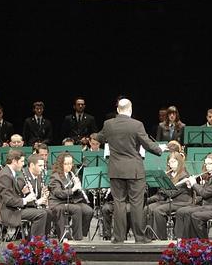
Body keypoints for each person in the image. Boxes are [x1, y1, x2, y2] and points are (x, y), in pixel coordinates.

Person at [96, 98, 164, 244]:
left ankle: (119, 238)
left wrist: (96, 137)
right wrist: (160, 150)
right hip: (134, 170)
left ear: (118, 109)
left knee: (119, 203)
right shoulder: (136, 125)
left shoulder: (108, 124)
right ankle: (139, 237)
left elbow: (99, 137)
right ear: (130, 109)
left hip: (116, 170)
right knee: (136, 203)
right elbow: (147, 144)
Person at [0, 149, 48, 238]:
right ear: (14, 161)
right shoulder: (5, 175)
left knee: (44, 211)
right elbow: (8, 200)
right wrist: (26, 199)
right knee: (41, 213)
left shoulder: (9, 173)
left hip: (13, 209)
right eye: (22, 161)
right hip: (9, 213)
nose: (23, 164)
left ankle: (37, 241)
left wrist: (22, 192)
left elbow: (10, 195)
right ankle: (34, 244)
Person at [174, 153, 212, 239]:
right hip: (206, 205)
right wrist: (192, 186)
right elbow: (203, 191)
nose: (207, 166)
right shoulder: (211, 177)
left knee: (188, 212)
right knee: (181, 211)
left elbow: (205, 193)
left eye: (210, 164)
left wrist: (194, 183)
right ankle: (182, 239)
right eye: (206, 164)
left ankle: (195, 240)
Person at [146, 151, 192, 240]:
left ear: (180, 162)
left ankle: (161, 238)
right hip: (170, 201)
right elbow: (164, 193)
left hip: (181, 202)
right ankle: (150, 236)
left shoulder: (184, 175)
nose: (171, 164)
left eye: (174, 162)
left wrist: (162, 182)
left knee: (158, 211)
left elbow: (172, 193)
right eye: (170, 162)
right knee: (148, 208)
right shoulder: (170, 174)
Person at [48, 153, 93, 241]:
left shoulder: (71, 175)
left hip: (71, 201)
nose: (69, 166)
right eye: (66, 164)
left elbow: (76, 195)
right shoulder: (55, 177)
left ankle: (81, 233)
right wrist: (73, 189)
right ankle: (77, 237)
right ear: (61, 164)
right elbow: (59, 193)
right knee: (77, 209)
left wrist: (78, 188)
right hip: (58, 203)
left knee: (89, 211)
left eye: (70, 163)